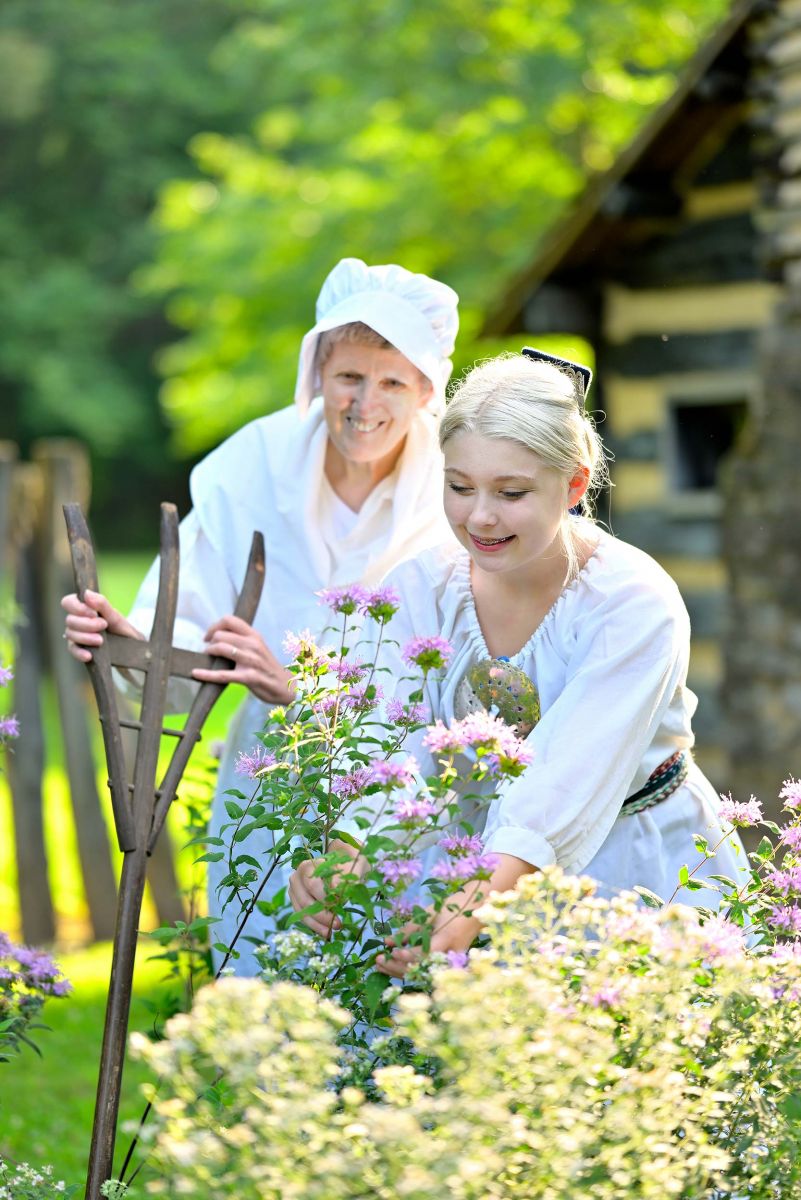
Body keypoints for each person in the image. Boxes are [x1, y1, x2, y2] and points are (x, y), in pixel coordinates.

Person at [288, 349, 747, 975]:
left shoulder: (632, 604)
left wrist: (472, 907)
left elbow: (566, 778)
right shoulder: (424, 588)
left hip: (625, 868)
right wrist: (349, 847)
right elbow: (384, 736)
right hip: (469, 861)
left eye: (511, 492)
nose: (479, 515)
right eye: (459, 487)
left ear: (575, 484)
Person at [61, 256, 460, 975]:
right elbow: (181, 627)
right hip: (272, 782)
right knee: (272, 990)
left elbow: (454, 678)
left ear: (426, 391)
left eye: (392, 380)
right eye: (348, 376)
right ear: (315, 372)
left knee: (394, 1013)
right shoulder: (253, 466)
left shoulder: (457, 491)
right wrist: (130, 641)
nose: (364, 402)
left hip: (408, 793)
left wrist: (303, 689)